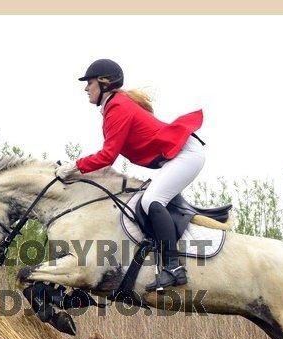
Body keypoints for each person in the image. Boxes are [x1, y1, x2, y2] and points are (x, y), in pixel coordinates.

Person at [55, 59, 206, 292]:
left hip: (186, 153)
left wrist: (74, 166)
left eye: (90, 82)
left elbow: (107, 156)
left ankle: (174, 268)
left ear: (104, 83)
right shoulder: (114, 106)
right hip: (177, 156)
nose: (86, 88)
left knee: (151, 201)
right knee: (147, 200)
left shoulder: (118, 106)